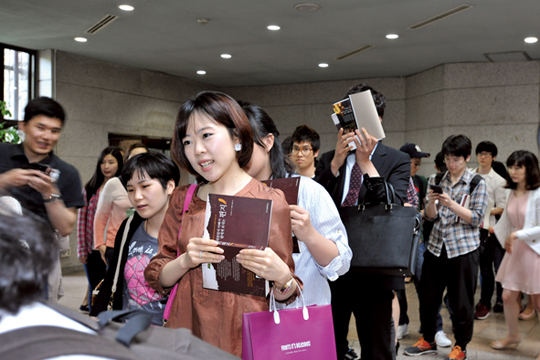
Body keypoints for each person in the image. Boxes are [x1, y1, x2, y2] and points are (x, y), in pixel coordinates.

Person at [144, 91, 299, 357]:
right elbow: (157, 276)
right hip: (186, 333)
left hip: (244, 338)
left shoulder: (271, 201)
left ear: (237, 137)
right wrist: (185, 261)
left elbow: (287, 291)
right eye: (188, 141)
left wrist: (282, 276)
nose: (198, 150)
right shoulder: (183, 199)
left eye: (206, 135)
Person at [316, 83, 410, 360]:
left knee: (377, 343)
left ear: (377, 121)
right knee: (330, 339)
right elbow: (314, 200)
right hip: (332, 262)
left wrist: (366, 163)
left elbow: (394, 203)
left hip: (375, 265)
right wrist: (335, 163)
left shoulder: (396, 159)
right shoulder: (328, 159)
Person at [241, 102, 352, 307]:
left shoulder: (307, 190)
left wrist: (309, 234)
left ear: (267, 142)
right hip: (242, 318)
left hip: (298, 319)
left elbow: (341, 263)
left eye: (244, 145)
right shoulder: (223, 196)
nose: (237, 154)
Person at [405, 134, 488, 360]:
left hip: (463, 250)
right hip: (436, 247)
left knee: (461, 301)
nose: (451, 164)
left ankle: (461, 345)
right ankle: (428, 339)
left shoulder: (476, 182)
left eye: (456, 160)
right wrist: (432, 202)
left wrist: (451, 204)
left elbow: (476, 218)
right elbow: (430, 218)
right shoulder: (436, 179)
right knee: (428, 298)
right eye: (448, 159)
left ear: (467, 157)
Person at [0, 96, 85, 301]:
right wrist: (5, 180)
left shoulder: (67, 173)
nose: (47, 136)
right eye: (40, 127)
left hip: (37, 264)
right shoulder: (1, 153)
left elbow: (65, 228)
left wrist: (50, 193)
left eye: (54, 131)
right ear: (23, 126)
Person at [90, 152, 180, 325]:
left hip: (169, 335)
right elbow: (112, 277)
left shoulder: (186, 230)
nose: (137, 196)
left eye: (145, 186)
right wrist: (95, 319)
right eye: (130, 190)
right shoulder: (129, 226)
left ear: (169, 186)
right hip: (127, 330)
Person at [491, 151, 540, 360]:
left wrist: (516, 234)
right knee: (508, 296)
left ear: (530, 169)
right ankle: (513, 335)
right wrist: (492, 229)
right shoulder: (511, 192)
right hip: (516, 250)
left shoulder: (538, 193)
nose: (513, 171)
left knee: (538, 301)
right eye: (511, 167)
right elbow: (507, 222)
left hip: (535, 250)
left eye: (518, 167)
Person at [77, 146, 123, 313]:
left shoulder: (124, 188)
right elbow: (81, 221)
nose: (106, 166)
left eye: (111, 162)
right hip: (93, 248)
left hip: (113, 246)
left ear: (119, 164)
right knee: (94, 287)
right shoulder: (90, 190)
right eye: (103, 162)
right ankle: (93, 319)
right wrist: (82, 249)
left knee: (112, 288)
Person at [94, 147, 148, 265]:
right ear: (126, 160)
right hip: (115, 244)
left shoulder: (151, 184)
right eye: (134, 157)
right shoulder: (114, 183)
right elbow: (100, 216)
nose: (139, 161)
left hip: (143, 244)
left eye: (143, 157)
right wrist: (100, 246)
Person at [473, 141, 507, 320]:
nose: (482, 157)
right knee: (471, 267)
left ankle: (485, 301)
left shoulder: (499, 181)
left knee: (487, 269)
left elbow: (501, 207)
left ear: (493, 157)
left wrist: (483, 211)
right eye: (480, 153)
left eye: (487, 154)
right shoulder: (470, 175)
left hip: (489, 229)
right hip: (470, 226)